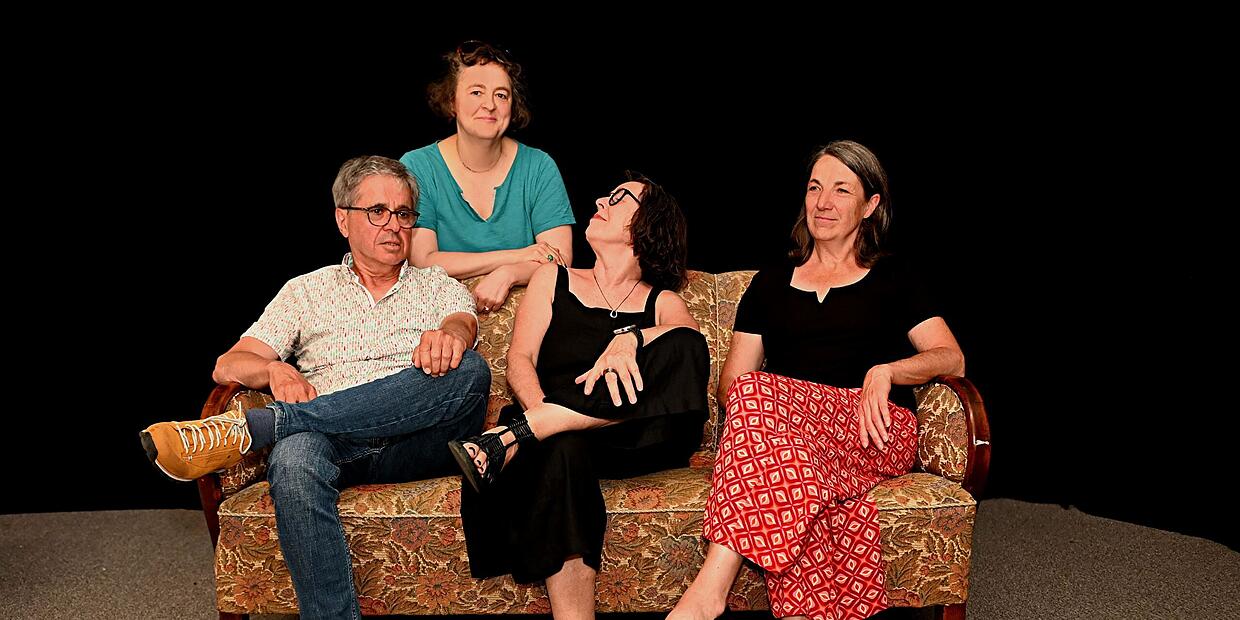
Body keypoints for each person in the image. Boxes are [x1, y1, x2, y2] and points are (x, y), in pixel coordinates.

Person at [138, 156, 491, 620]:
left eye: (404, 213)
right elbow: (229, 363)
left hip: (420, 441)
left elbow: (462, 324)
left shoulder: (437, 285)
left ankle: (261, 427)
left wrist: (451, 336)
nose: (393, 225)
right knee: (293, 457)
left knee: (470, 370)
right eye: (377, 211)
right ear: (343, 219)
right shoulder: (306, 291)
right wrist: (273, 370)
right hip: (335, 442)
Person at [668, 141, 966, 620]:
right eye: (814, 188)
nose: (823, 202)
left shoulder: (895, 278)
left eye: (841, 190)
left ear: (870, 205)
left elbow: (952, 357)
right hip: (790, 440)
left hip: (873, 429)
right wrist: (788, 423)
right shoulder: (769, 284)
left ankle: (708, 593)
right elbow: (732, 386)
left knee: (757, 395)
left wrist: (887, 371)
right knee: (775, 438)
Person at [451, 172, 709, 619]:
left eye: (619, 197)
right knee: (565, 447)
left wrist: (631, 338)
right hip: (560, 438)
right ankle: (537, 430)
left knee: (685, 343)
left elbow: (687, 350)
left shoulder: (663, 301)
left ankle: (515, 437)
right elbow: (520, 360)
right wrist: (546, 418)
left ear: (647, 224)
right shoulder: (553, 279)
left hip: (631, 436)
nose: (600, 200)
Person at [401, 40, 575, 314]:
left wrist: (509, 273)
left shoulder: (539, 166)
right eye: (476, 92)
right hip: (438, 313)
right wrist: (517, 256)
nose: (490, 105)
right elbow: (422, 261)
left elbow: (560, 259)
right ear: (452, 101)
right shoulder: (418, 166)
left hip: (529, 314)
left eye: (501, 95)